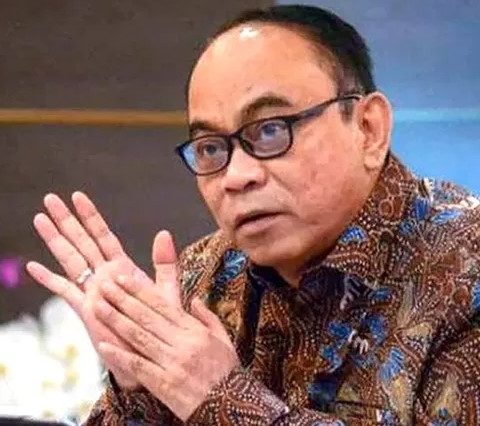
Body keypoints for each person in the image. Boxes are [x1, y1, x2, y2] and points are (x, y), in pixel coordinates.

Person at [26, 5, 480, 425]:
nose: (237, 176)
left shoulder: (465, 269)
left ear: (368, 128)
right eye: (210, 148)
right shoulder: (202, 276)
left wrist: (222, 399)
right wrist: (140, 389)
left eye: (270, 130)